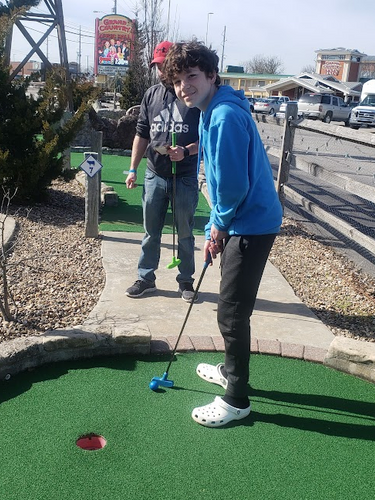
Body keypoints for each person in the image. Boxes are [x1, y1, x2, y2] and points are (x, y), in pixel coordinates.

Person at [162, 40, 283, 427]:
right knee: (230, 308)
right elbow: (217, 178)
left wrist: (219, 225)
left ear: (212, 75)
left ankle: (237, 399)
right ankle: (232, 370)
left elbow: (231, 186)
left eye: (192, 76)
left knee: (231, 312)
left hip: (251, 223)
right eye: (178, 80)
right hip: (240, 220)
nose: (184, 86)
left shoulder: (225, 116)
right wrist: (217, 223)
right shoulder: (212, 110)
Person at [125, 41, 201, 302]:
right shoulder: (151, 95)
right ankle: (146, 278)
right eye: (156, 66)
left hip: (185, 175)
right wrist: (132, 168)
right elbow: (141, 134)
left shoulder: (194, 95)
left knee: (186, 232)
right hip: (155, 174)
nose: (159, 71)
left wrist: (187, 151)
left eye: (162, 65)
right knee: (151, 231)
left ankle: (186, 281)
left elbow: (207, 138)